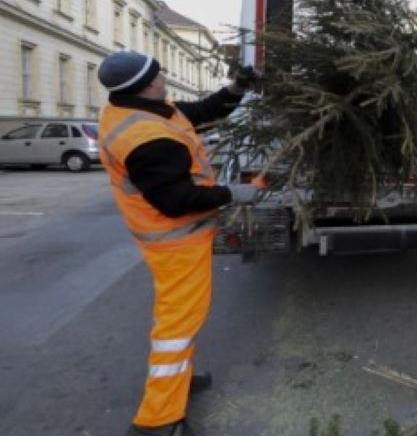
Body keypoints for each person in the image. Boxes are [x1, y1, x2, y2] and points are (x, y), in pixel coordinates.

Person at [96, 51, 265, 436]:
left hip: (173, 239)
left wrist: (236, 88)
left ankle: (179, 379)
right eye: (158, 74)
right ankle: (158, 419)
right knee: (177, 325)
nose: (164, 77)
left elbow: (200, 111)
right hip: (176, 243)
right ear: (146, 84)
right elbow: (177, 201)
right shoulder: (147, 138)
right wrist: (234, 193)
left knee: (182, 321)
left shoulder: (140, 110)